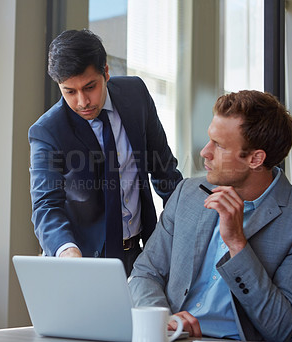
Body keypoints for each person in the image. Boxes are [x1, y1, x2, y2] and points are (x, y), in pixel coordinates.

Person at [129, 90, 292, 341]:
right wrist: (163, 318)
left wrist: (237, 244)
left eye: (219, 146)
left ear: (256, 158)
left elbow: (283, 329)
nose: (205, 152)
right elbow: (145, 272)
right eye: (209, 139)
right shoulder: (187, 193)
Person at [28, 29, 182, 276]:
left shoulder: (136, 95)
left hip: (143, 255)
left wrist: (180, 234)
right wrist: (67, 251)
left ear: (106, 72)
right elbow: (46, 205)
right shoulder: (47, 132)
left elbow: (165, 172)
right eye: (69, 91)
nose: (82, 101)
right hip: (84, 262)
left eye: (90, 87)